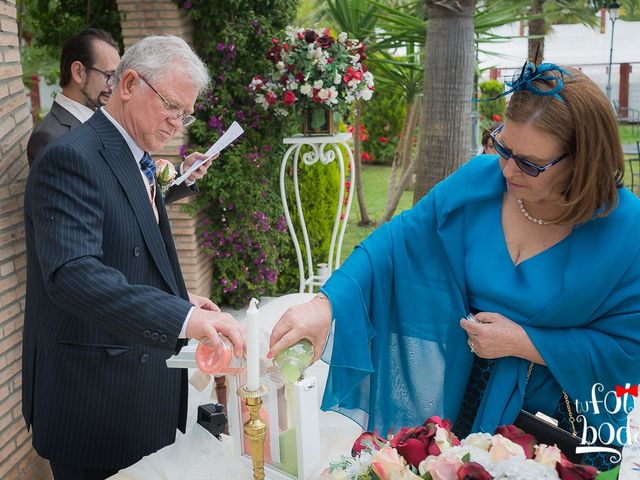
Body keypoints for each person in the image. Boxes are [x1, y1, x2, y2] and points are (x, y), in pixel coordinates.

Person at [269, 63, 640, 472]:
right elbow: (395, 242)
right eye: (503, 147)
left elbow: (630, 349)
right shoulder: (478, 182)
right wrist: (325, 304)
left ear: (583, 160)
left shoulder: (626, 230)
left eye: (531, 163)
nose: (508, 170)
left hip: (564, 425)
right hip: (466, 400)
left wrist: (524, 343)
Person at [23, 35, 245, 479]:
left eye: (185, 112)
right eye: (170, 106)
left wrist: (182, 299)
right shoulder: (70, 157)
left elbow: (125, 252)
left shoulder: (136, 155)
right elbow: (73, 273)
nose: (177, 124)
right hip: (94, 405)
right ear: (128, 84)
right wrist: (180, 320)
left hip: (137, 396)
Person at [26, 28, 206, 204]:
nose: (115, 84)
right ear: (79, 72)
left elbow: (135, 195)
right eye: (110, 75)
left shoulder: (111, 124)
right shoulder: (50, 137)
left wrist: (183, 172)